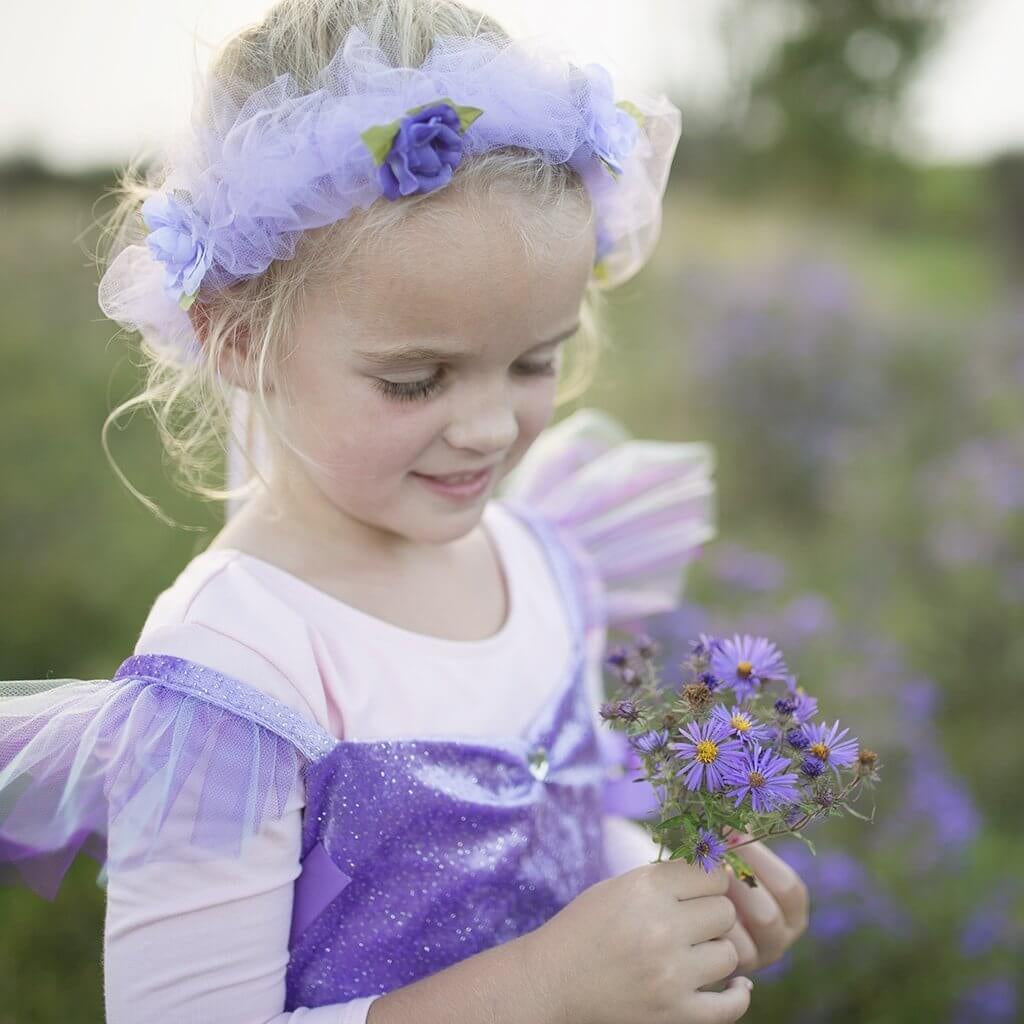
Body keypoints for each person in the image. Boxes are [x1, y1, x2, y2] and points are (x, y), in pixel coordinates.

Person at [0, 2, 808, 1021]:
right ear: (236, 334)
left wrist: (678, 915)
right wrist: (552, 986)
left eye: (533, 361)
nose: (485, 428)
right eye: (418, 379)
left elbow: (572, 838)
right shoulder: (240, 671)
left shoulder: (542, 560)